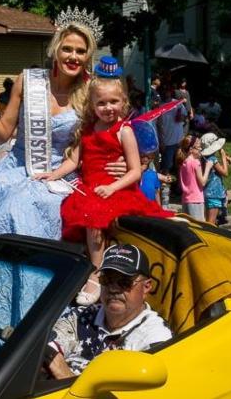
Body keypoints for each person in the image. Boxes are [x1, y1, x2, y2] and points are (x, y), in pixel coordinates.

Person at [0, 10, 127, 240]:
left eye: (80, 51)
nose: (73, 56)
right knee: (2, 201)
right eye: (67, 49)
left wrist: (124, 161)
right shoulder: (28, 80)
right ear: (55, 50)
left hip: (62, 173)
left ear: (88, 56)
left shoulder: (92, 92)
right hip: (17, 168)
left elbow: (117, 132)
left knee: (26, 205)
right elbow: (2, 135)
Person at [36, 60, 172, 305]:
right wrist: (54, 174)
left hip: (116, 190)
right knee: (67, 211)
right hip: (90, 188)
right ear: (92, 105)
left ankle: (97, 273)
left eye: (113, 102)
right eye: (102, 103)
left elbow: (134, 172)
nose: (108, 107)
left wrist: (112, 187)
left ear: (123, 102)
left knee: (92, 216)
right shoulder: (88, 129)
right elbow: (75, 160)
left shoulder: (124, 131)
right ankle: (75, 268)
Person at [44, 243, 172, 379]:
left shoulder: (156, 338)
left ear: (146, 287)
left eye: (124, 282)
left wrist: (66, 376)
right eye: (107, 280)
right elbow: (44, 350)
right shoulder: (81, 316)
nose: (113, 289)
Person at [176, 135, 212, 221]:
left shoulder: (183, 162)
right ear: (191, 149)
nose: (200, 150)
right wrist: (208, 167)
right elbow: (202, 182)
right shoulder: (195, 162)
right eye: (199, 147)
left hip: (186, 200)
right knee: (198, 227)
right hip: (196, 200)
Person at [200, 133, 231, 225]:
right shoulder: (212, 158)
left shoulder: (204, 158)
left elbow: (216, 171)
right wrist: (223, 157)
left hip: (208, 192)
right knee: (211, 223)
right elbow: (225, 173)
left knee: (208, 220)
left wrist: (225, 163)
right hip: (214, 193)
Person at [156, 87, 186, 175]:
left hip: (179, 139)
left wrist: (181, 117)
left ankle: (181, 181)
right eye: (164, 91)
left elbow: (185, 117)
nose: (166, 93)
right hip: (167, 141)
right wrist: (161, 141)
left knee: (180, 162)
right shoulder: (160, 106)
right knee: (167, 165)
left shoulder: (177, 103)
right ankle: (165, 183)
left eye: (168, 91)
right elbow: (158, 125)